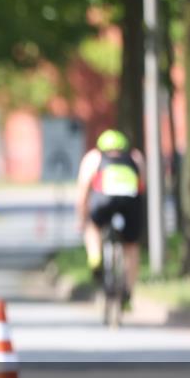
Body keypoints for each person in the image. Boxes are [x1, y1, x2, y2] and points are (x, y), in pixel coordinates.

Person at [75, 129, 146, 309]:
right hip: (130, 202)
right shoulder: (135, 156)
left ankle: (95, 258)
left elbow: (82, 190)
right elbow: (142, 184)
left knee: (92, 227)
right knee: (131, 246)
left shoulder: (94, 157)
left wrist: (81, 218)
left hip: (103, 201)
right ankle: (128, 292)